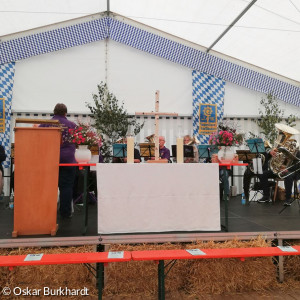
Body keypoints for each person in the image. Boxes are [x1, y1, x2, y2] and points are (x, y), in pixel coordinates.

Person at [40, 103, 76, 218]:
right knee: (66, 187)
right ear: (65, 113)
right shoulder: (72, 125)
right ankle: (65, 213)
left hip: (49, 159)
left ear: (54, 112)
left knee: (48, 186)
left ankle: (46, 211)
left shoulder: (45, 124)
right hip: (68, 160)